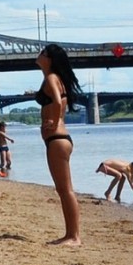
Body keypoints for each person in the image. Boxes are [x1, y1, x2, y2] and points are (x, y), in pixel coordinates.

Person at [37, 44, 81, 246]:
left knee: (65, 190)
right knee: (63, 190)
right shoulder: (56, 78)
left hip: (57, 140)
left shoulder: (52, 78)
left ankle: (73, 237)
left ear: (49, 59)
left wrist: (53, 123)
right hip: (59, 140)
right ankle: (71, 235)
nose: (38, 55)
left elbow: (55, 102)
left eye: (42, 53)